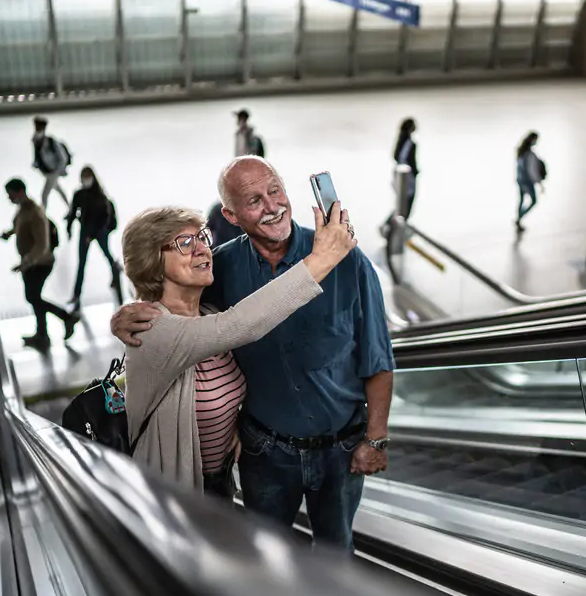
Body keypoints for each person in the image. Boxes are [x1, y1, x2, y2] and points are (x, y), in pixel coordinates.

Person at [111, 156, 395, 551]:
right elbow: (230, 323)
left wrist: (376, 438)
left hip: (334, 451)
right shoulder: (221, 273)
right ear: (231, 215)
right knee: (262, 560)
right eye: (253, 200)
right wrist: (121, 315)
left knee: (335, 556)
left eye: (274, 190)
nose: (271, 206)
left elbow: (377, 354)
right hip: (255, 460)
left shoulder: (349, 264)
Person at [121, 202, 356, 496]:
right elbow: (241, 323)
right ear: (150, 260)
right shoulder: (153, 329)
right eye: (184, 243)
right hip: (171, 495)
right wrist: (322, 260)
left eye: (202, 238)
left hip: (218, 483)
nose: (202, 249)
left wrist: (229, 431)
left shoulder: (207, 312)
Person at [0, 178, 79, 350]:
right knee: (34, 298)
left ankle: (66, 318)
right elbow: (18, 226)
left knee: (33, 297)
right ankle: (42, 335)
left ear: (20, 191)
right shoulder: (22, 210)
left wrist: (26, 263)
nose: (9, 199)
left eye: (11, 195)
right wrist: (9, 234)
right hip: (30, 264)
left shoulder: (35, 213)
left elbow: (42, 246)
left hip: (40, 263)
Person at [66, 166, 122, 311]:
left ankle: (116, 274)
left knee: (106, 256)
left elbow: (104, 217)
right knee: (82, 263)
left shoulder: (100, 196)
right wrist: (69, 228)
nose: (85, 180)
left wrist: (91, 235)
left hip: (98, 231)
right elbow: (73, 212)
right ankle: (76, 295)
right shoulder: (79, 194)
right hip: (86, 231)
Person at [380, 118, 419, 237]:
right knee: (406, 204)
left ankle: (389, 226)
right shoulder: (410, 143)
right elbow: (409, 160)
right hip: (408, 177)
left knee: (400, 203)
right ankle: (395, 229)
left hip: (398, 175)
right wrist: (415, 171)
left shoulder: (401, 140)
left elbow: (396, 156)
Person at [31, 116, 71, 210]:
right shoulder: (35, 141)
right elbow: (37, 154)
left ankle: (43, 214)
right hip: (46, 171)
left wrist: (58, 170)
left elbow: (63, 158)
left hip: (53, 171)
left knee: (44, 194)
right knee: (58, 189)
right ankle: (70, 208)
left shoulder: (51, 141)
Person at [515, 131, 546, 232]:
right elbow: (532, 172)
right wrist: (540, 183)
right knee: (533, 201)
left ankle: (518, 219)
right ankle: (519, 218)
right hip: (527, 181)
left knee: (521, 200)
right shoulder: (530, 155)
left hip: (520, 179)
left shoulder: (520, 151)